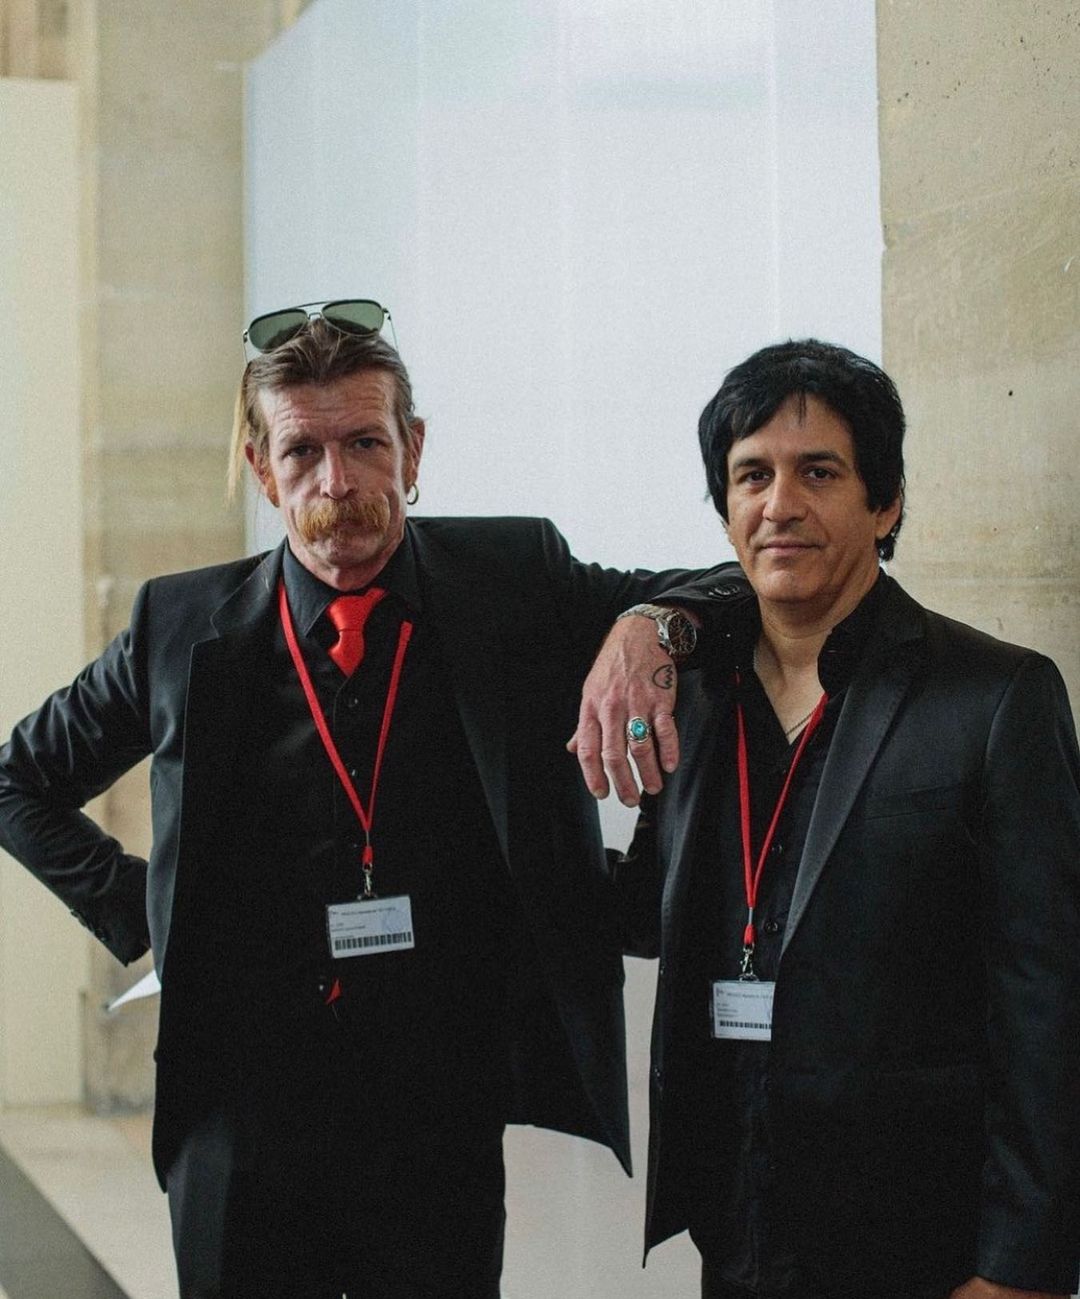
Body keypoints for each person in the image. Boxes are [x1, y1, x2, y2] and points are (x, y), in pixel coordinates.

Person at [0, 301, 726, 1299]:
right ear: (263, 469)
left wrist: (649, 627)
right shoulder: (180, 625)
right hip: (241, 1114)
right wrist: (148, 912)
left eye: (365, 444)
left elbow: (729, 587)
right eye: (302, 451)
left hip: (437, 1111)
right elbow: (19, 781)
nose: (336, 483)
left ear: (412, 450)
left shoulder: (511, 577)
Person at [574, 339, 1080, 1299]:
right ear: (725, 506)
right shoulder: (694, 698)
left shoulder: (997, 698)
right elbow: (652, 907)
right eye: (752, 475)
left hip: (922, 1248)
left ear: (885, 504)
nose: (780, 504)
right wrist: (500, 836)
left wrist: (1022, 1268)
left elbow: (1049, 1005)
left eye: (819, 472)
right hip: (735, 1231)